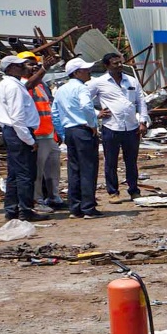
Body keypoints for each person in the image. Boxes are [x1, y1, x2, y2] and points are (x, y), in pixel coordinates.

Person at [88, 53, 149, 202]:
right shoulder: (99, 82)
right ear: (107, 66)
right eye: (115, 63)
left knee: (131, 161)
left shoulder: (132, 81)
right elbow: (83, 101)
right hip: (111, 127)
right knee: (111, 161)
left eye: (120, 63)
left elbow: (141, 102)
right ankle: (113, 192)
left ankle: (134, 190)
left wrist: (143, 121)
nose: (119, 66)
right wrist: (97, 113)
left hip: (132, 128)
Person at [0, 54, 43, 221]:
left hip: (12, 131)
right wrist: (29, 140)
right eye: (20, 65)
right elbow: (17, 117)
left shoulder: (7, 85)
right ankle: (25, 210)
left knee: (14, 173)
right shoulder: (13, 87)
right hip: (19, 132)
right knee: (25, 174)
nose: (24, 68)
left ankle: (11, 209)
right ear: (10, 68)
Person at [54, 58, 104, 218]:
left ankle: (75, 208)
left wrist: (62, 133)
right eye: (85, 70)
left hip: (69, 130)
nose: (88, 72)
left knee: (74, 170)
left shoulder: (61, 90)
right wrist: (92, 124)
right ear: (76, 73)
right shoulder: (82, 89)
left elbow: (54, 113)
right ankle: (88, 207)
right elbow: (86, 106)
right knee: (88, 169)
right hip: (83, 130)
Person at [19, 51, 67, 212]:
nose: (34, 66)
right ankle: (37, 200)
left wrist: (56, 131)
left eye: (35, 63)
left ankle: (54, 197)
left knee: (53, 170)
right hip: (36, 135)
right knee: (37, 173)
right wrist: (44, 68)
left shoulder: (41, 84)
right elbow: (27, 86)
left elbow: (49, 108)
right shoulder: (21, 83)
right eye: (29, 64)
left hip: (48, 134)